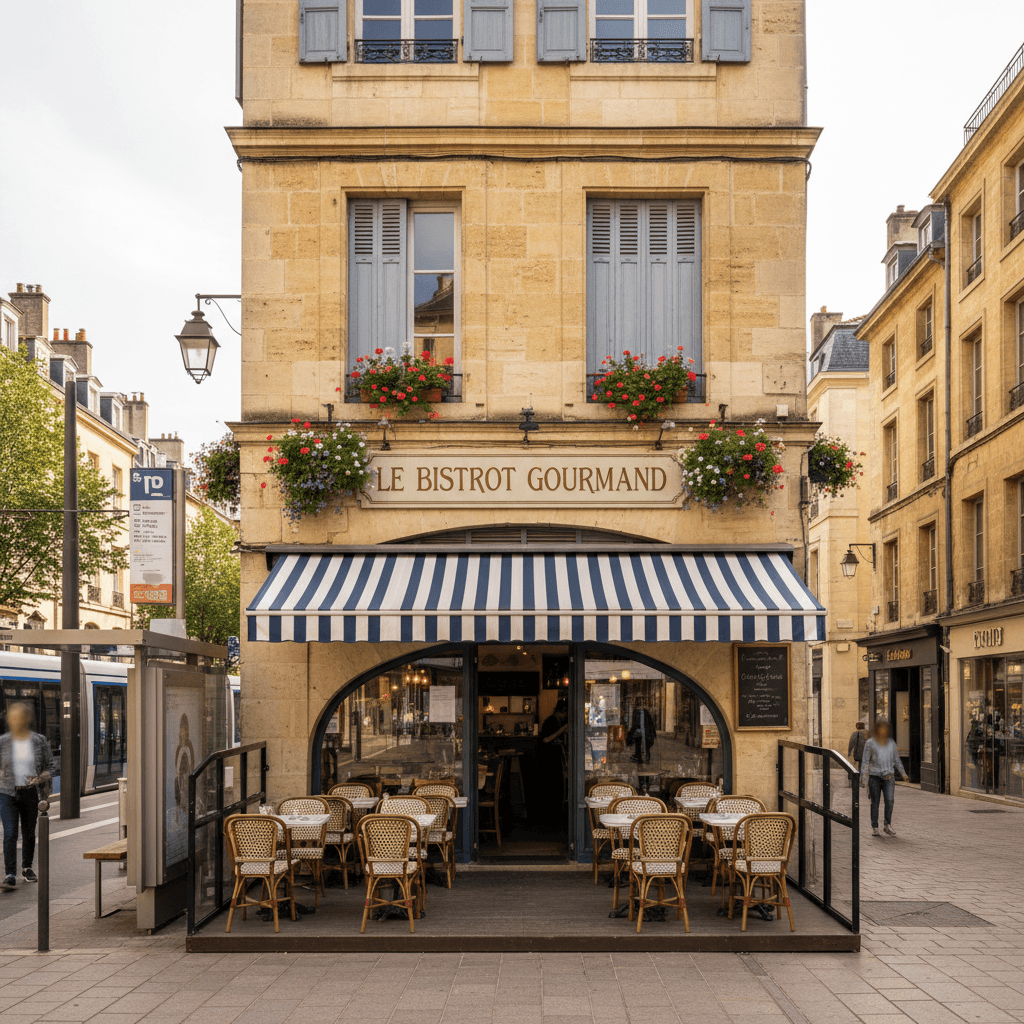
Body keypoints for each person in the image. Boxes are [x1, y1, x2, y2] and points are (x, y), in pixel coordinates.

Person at [0, 703, 57, 891]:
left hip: (30, 792)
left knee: (29, 833)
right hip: (8, 792)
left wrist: (41, 777)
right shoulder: (3, 742)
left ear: (27, 719)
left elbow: (52, 765)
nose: (16, 720)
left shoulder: (39, 741)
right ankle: (9, 874)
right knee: (9, 834)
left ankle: (27, 867)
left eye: (20, 716)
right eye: (13, 717)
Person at [860, 718, 908, 838]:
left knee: (890, 800)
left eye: (885, 729)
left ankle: (887, 825)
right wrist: (864, 779)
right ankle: (875, 826)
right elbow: (865, 762)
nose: (883, 731)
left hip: (889, 776)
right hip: (874, 777)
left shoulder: (891, 743)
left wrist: (903, 773)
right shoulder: (870, 743)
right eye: (881, 729)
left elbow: (896, 759)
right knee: (875, 802)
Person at [847, 721, 869, 787]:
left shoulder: (856, 733)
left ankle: (861, 781)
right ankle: (865, 781)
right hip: (868, 753)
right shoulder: (869, 733)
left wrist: (849, 751)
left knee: (860, 766)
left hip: (859, 753)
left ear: (857, 727)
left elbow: (851, 743)